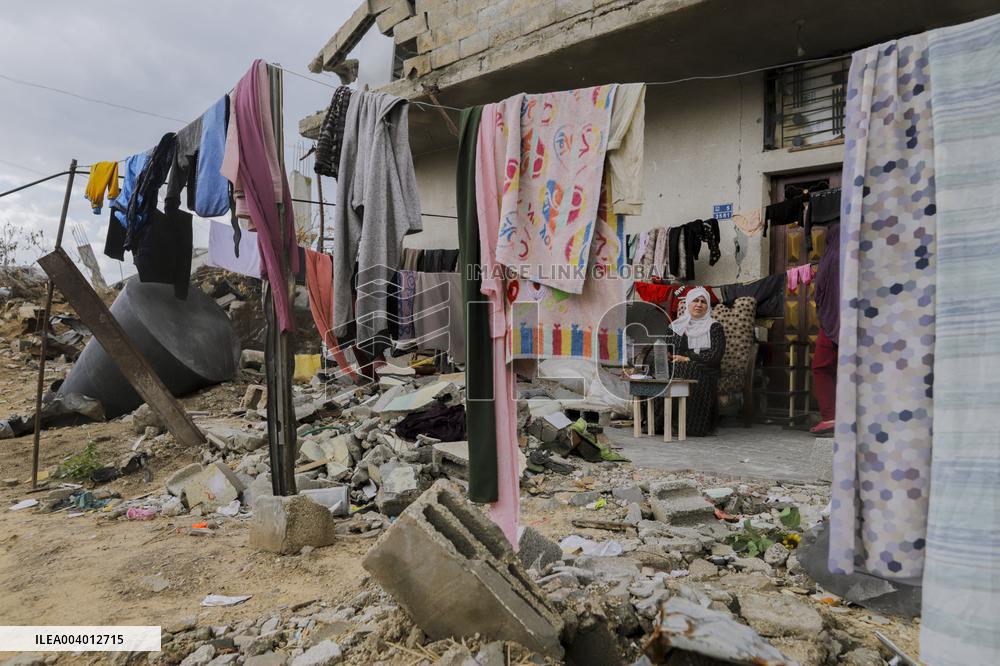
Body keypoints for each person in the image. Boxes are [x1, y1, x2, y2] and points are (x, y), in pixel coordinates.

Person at [666, 287, 726, 436]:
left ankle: (691, 426)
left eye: (703, 302)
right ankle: (661, 422)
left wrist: (688, 358)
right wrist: (666, 357)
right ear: (688, 303)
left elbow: (715, 357)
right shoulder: (675, 327)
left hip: (705, 368)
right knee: (659, 368)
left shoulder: (714, 327)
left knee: (687, 368)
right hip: (676, 365)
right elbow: (667, 349)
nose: (699, 305)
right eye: (695, 300)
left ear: (708, 306)